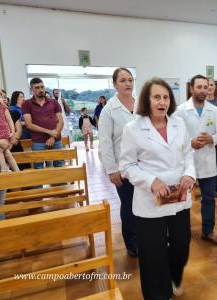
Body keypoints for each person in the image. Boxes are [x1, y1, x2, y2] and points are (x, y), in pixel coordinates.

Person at [119, 77, 195, 299]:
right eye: (156, 97)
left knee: (181, 244)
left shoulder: (178, 123)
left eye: (165, 97)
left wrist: (189, 173)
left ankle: (171, 277)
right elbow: (127, 166)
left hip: (179, 197)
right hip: (150, 202)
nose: (162, 102)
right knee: (153, 253)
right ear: (147, 100)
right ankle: (157, 294)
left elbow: (187, 153)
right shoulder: (133, 128)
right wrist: (151, 181)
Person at [176, 74, 217, 246]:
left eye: (205, 87)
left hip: (208, 161)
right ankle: (181, 232)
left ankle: (208, 231)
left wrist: (212, 139)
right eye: (199, 87)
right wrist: (190, 143)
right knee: (181, 198)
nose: (203, 90)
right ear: (191, 88)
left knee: (208, 198)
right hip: (185, 162)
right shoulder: (181, 110)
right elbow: (174, 137)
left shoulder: (215, 110)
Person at [98, 68, 138, 257]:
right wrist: (112, 170)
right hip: (123, 167)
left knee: (146, 204)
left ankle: (146, 237)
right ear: (114, 84)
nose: (128, 83)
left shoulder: (141, 104)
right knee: (129, 205)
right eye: (123, 80)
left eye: (130, 79)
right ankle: (132, 242)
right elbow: (105, 142)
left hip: (144, 165)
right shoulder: (109, 110)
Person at [22, 78, 64, 169]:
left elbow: (60, 121)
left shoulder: (54, 102)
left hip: (56, 140)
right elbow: (29, 124)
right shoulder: (27, 104)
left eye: (42, 87)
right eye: (37, 87)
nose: (40, 90)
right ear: (31, 89)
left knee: (60, 165)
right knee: (38, 167)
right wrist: (49, 132)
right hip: (38, 141)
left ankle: (60, 183)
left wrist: (53, 136)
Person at [0, 86, 19, 172]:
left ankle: (14, 170)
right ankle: (6, 168)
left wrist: (12, 133)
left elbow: (10, 121)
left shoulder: (3, 108)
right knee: (0, 151)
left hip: (4, 134)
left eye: (1, 94)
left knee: (4, 152)